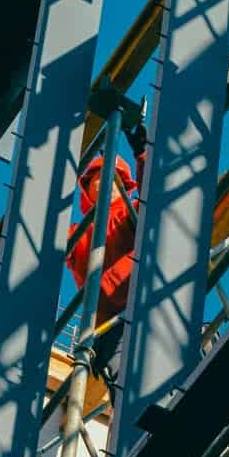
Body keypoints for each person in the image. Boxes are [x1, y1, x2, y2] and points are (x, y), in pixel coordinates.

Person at [66, 114, 148, 381]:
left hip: (147, 305)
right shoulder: (76, 234)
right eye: (101, 179)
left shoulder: (132, 213)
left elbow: (159, 197)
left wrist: (143, 154)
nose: (109, 185)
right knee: (127, 386)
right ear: (87, 189)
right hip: (111, 327)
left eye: (116, 181)